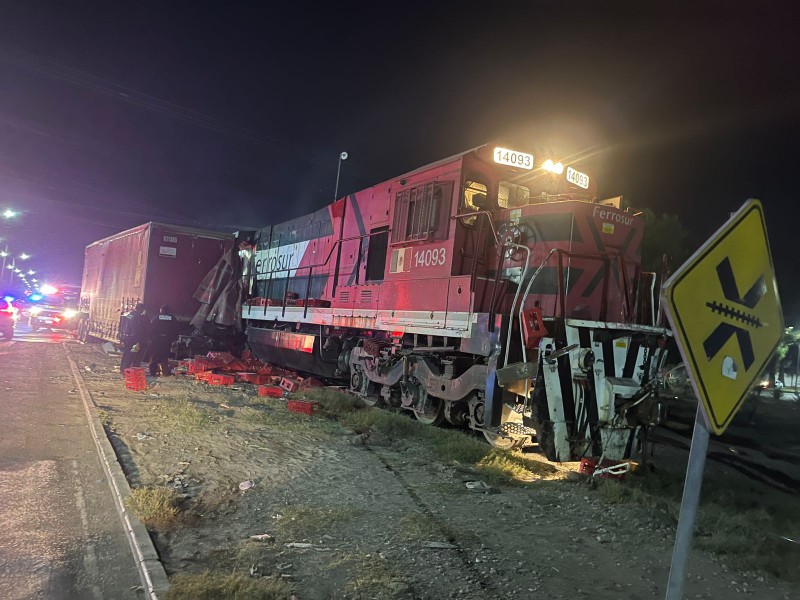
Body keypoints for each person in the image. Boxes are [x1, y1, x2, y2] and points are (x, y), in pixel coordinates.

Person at [148, 304, 179, 376]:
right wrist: (174, 340)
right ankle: (165, 372)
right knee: (165, 357)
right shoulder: (172, 318)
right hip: (167, 340)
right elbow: (176, 330)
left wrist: (150, 338)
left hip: (157, 340)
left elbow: (151, 329)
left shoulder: (156, 318)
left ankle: (153, 372)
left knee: (155, 356)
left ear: (161, 310)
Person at [119, 303, 147, 374]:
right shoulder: (137, 316)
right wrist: (137, 339)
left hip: (126, 336)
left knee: (126, 353)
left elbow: (122, 325)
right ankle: (127, 369)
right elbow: (135, 328)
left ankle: (122, 368)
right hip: (132, 338)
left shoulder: (129, 314)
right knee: (131, 354)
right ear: (141, 309)